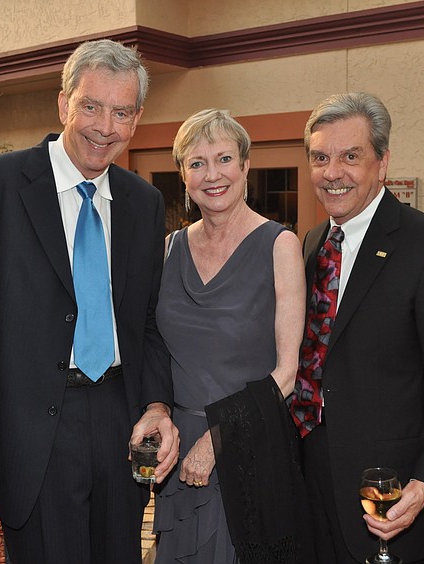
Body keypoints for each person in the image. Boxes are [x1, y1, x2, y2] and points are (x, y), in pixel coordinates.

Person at [0, 39, 178, 564]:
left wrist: (157, 404)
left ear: (137, 119)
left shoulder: (144, 203)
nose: (105, 127)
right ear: (63, 104)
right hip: (32, 428)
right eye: (91, 106)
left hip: (120, 420)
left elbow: (148, 319)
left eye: (122, 112)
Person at [289, 92, 424, 564]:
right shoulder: (312, 242)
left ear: (383, 162)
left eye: (350, 156)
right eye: (320, 158)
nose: (332, 172)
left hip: (391, 491)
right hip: (312, 477)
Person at [153, 109, 309, 563]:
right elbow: (152, 350)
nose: (212, 174)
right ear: (183, 175)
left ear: (245, 166)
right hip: (178, 448)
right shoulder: (168, 248)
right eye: (197, 163)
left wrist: (218, 439)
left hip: (248, 444)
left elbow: (287, 374)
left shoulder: (280, 245)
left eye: (224, 159)